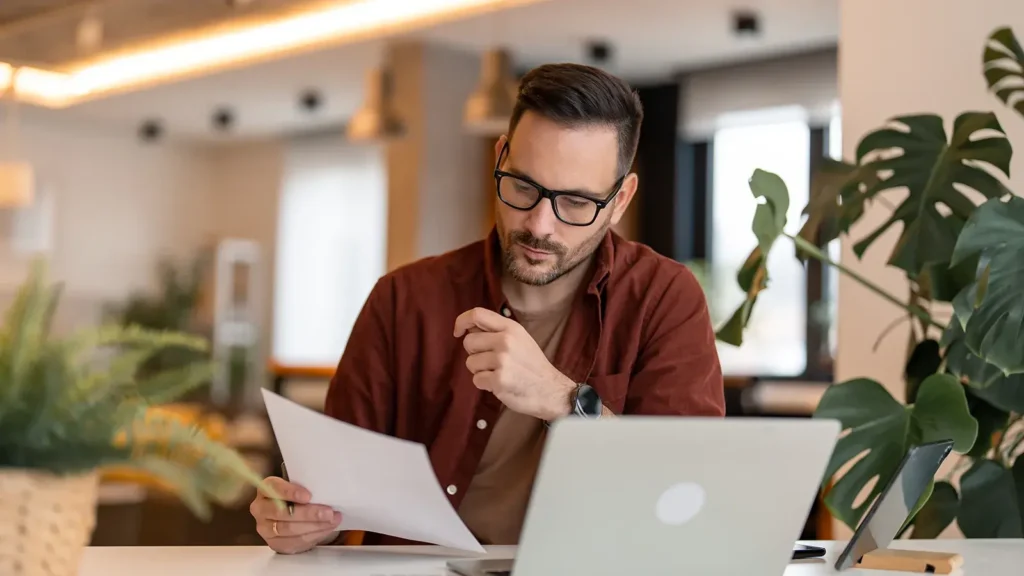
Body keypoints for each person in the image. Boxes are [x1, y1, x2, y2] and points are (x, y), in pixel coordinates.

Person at [249, 62, 725, 554]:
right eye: (523, 187)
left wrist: (561, 400)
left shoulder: (665, 298)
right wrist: (302, 520)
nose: (540, 224)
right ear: (500, 157)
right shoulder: (403, 299)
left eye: (577, 203)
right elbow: (332, 491)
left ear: (620, 199)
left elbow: (683, 493)